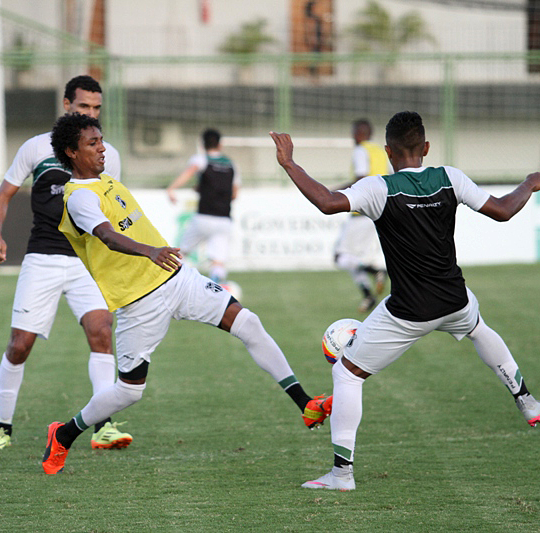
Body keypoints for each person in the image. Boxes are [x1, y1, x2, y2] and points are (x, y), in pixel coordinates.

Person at [270, 111, 540, 492]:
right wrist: (529, 183)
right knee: (477, 328)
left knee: (346, 374)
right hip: (455, 298)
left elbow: (326, 202)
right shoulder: (450, 177)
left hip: (408, 311)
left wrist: (290, 163)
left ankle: (341, 475)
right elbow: (503, 211)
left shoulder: (378, 188)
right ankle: (528, 402)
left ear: (388, 152)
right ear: (425, 148)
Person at [40, 113, 332, 476]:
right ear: (71, 152)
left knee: (248, 323)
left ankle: (305, 404)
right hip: (139, 303)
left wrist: (157, 255)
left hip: (178, 278)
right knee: (130, 392)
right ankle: (64, 434)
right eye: (92, 144)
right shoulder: (79, 198)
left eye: (101, 140)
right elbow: (106, 235)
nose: (101, 148)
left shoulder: (108, 181)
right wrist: (149, 251)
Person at [0, 74, 132, 452]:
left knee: (102, 330)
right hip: (43, 258)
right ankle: (4, 428)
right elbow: (3, 196)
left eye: (97, 108)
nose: (91, 114)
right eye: (84, 107)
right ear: (67, 106)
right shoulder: (36, 149)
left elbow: (114, 208)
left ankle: (103, 425)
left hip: (86, 262)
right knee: (19, 345)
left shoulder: (106, 154)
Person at [166, 128, 240, 283]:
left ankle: (174, 283)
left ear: (203, 144)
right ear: (220, 144)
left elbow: (189, 173)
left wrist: (172, 188)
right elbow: (234, 195)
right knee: (218, 261)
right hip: (224, 220)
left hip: (203, 217)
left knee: (181, 253)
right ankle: (217, 290)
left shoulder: (201, 159)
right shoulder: (231, 164)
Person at [334, 119, 389, 312]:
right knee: (354, 259)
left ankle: (376, 271)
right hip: (378, 211)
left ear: (358, 133)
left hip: (361, 212)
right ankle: (368, 296)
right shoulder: (380, 152)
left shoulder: (360, 151)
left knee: (340, 256)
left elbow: (361, 178)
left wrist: (334, 193)